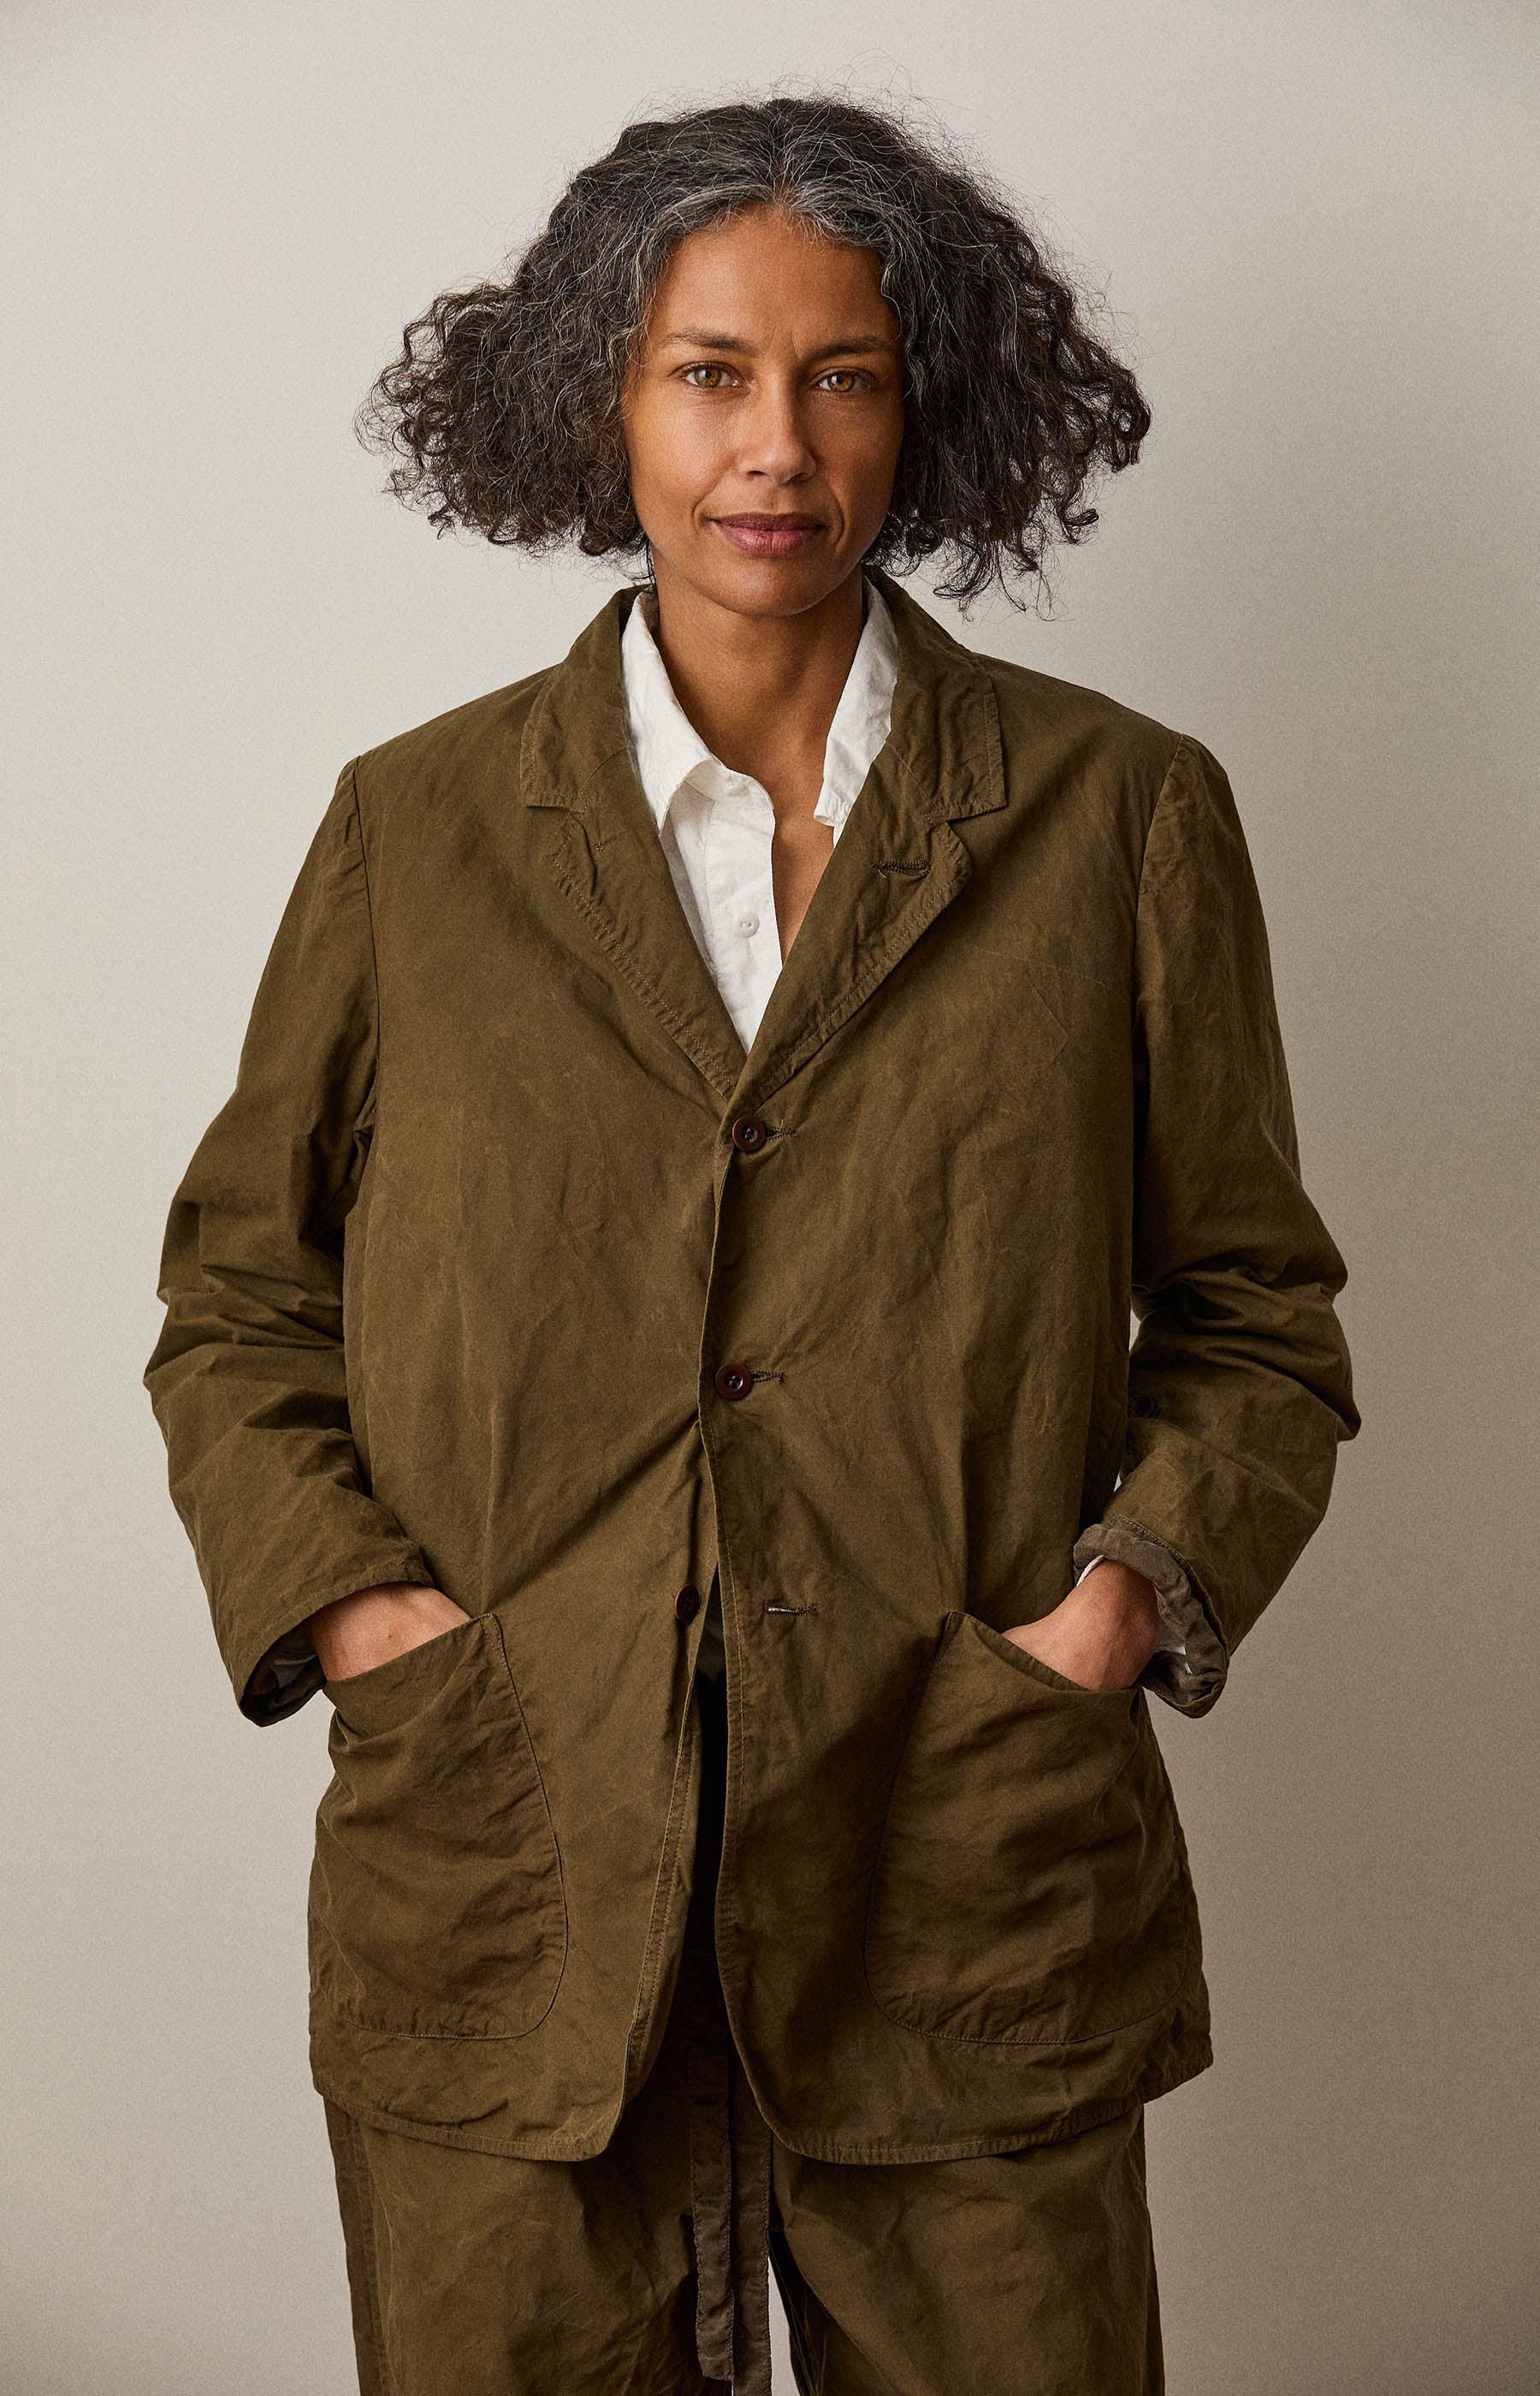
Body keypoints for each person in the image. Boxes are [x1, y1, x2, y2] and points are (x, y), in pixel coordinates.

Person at [142, 92, 1359, 2396]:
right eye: (710, 372)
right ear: (601, 400)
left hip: (961, 1873)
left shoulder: (1119, 818)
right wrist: (368, 1620)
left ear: (930, 408)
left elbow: (1255, 1315)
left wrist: (1112, 1615)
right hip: (510, 1873)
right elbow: (239, 1304)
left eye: (844, 376)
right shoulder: (414, 831)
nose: (775, 446)